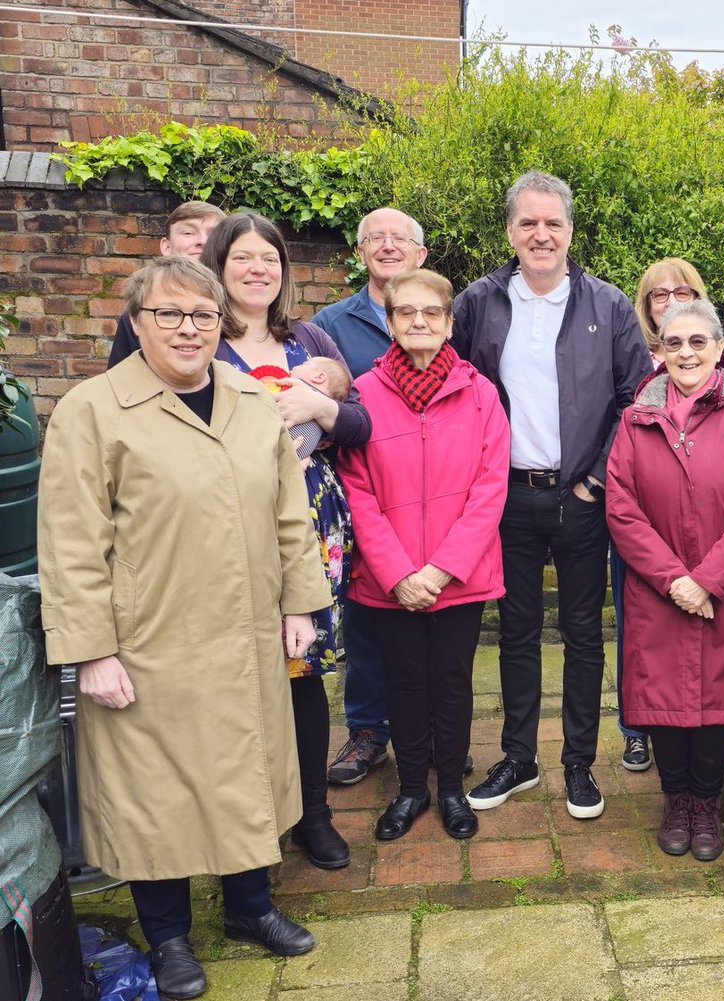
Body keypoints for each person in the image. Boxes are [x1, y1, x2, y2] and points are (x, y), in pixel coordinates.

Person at [38, 256, 332, 1000]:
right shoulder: (94, 410)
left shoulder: (248, 399)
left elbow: (288, 512)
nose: (188, 329)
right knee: (154, 796)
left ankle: (250, 909)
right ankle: (169, 937)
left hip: (246, 633)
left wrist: (302, 603)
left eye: (203, 315)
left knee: (247, 774)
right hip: (148, 642)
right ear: (136, 322)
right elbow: (70, 542)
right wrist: (91, 652)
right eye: (168, 314)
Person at [455, 171, 651, 820]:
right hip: (506, 498)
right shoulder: (478, 304)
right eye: (528, 223)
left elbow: (637, 400)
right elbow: (456, 391)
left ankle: (578, 765)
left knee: (582, 634)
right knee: (515, 631)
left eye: (553, 223)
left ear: (570, 230)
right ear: (510, 231)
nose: (541, 234)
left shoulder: (608, 306)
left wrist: (597, 477)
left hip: (581, 498)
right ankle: (518, 757)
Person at [201, 211, 372, 872]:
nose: (257, 270)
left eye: (268, 259)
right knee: (241, 672)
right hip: (226, 522)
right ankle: (249, 816)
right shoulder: (200, 339)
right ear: (219, 266)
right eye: (243, 258)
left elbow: (360, 423)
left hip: (310, 520)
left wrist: (321, 409)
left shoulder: (309, 336)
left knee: (304, 671)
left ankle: (313, 815)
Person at [337, 269, 509, 843]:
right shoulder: (362, 394)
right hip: (391, 581)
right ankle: (412, 789)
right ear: (388, 322)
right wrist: (399, 574)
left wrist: (439, 570)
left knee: (453, 681)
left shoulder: (480, 394)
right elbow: (355, 491)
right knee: (404, 683)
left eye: (431, 312)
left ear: (449, 322)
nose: (418, 321)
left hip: (458, 576)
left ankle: (454, 792)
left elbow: (490, 489)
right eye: (406, 312)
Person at [606, 298, 724, 861]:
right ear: (658, 352)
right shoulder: (636, 420)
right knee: (664, 699)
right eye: (673, 343)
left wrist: (706, 580)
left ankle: (706, 804)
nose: (686, 353)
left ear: (720, 350)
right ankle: (674, 800)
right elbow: (622, 508)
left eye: (697, 342)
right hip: (659, 591)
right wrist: (673, 579)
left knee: (715, 700)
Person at [311, 208, 430, 787]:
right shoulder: (328, 326)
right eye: (375, 239)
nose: (388, 246)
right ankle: (366, 730)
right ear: (360, 253)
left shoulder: (439, 316)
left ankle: (430, 728)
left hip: (431, 495)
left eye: (400, 239)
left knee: (432, 615)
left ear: (420, 255)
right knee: (363, 618)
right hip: (359, 495)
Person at [614, 258, 709, 773]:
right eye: (659, 295)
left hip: (706, 526)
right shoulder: (632, 358)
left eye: (683, 291)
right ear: (646, 306)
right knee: (640, 628)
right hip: (643, 526)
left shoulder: (711, 354)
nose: (672, 301)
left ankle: (702, 725)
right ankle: (637, 729)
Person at [106, 201, 226, 368]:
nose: (203, 241)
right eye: (189, 232)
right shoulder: (142, 307)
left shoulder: (246, 306)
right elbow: (121, 379)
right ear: (166, 246)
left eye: (213, 234)